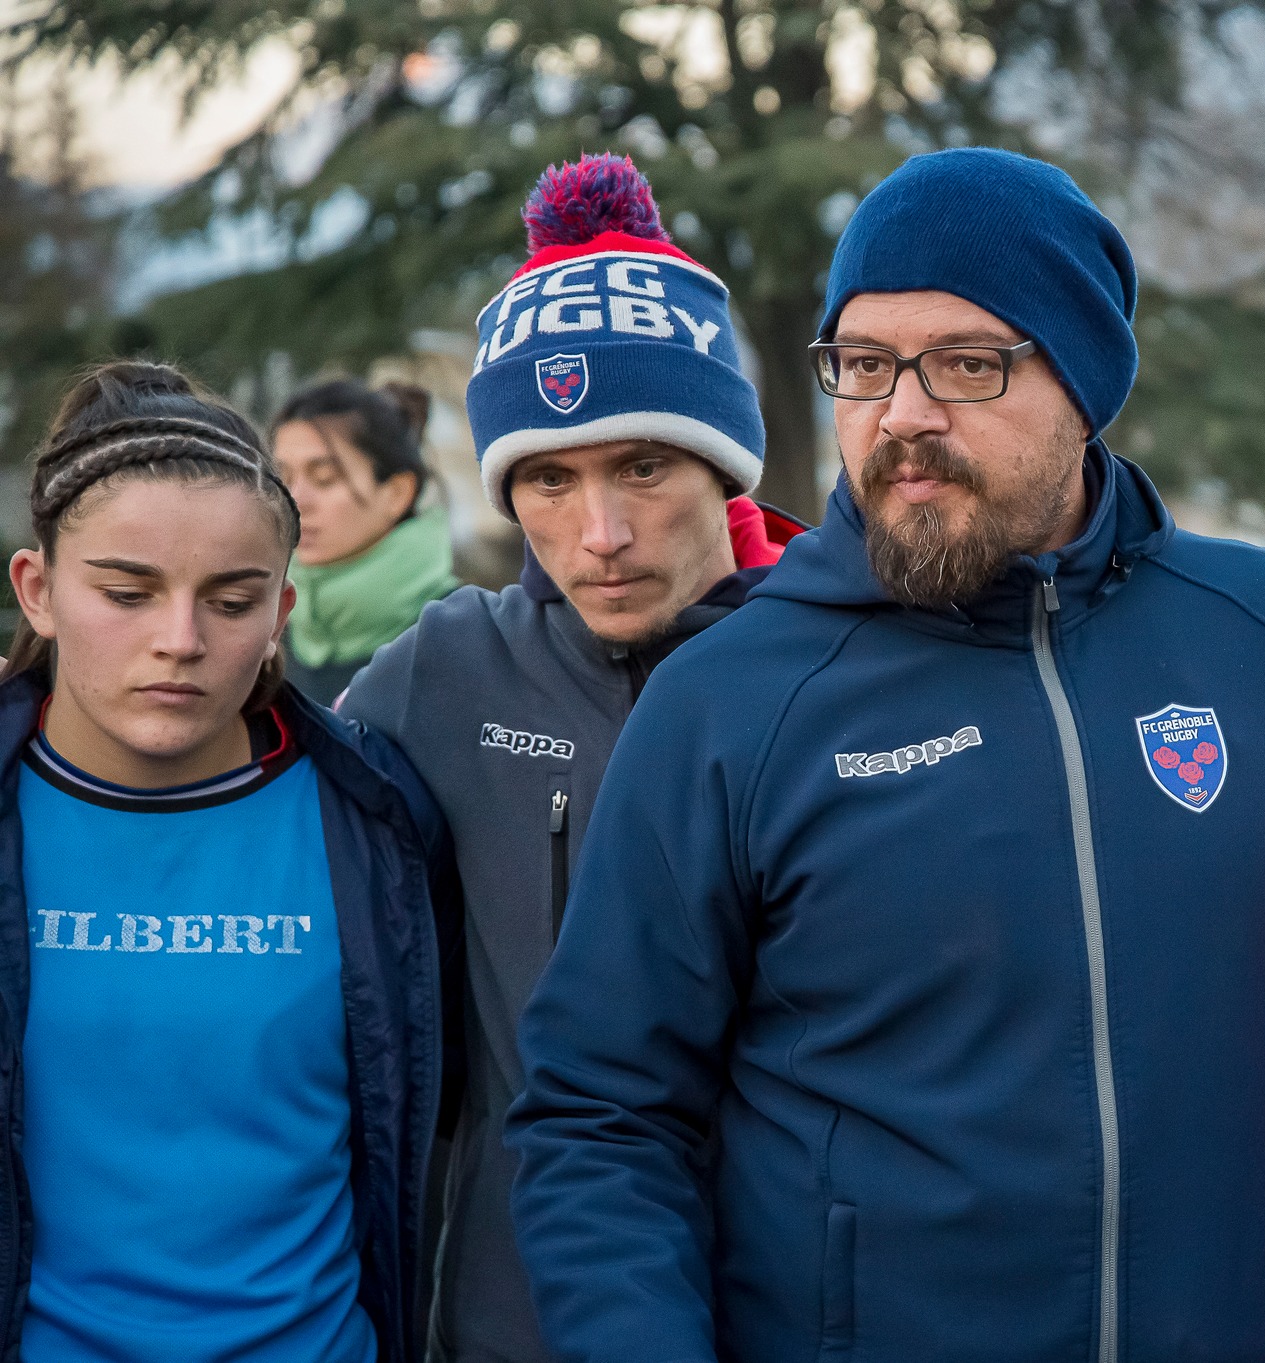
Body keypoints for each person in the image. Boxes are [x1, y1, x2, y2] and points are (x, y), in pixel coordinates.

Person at [501, 145, 1265, 1363]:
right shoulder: (728, 699)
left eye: (968, 363)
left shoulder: (1259, 629)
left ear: (1084, 381)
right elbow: (599, 1118)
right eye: (863, 366)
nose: (902, 415)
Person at [338, 153, 800, 1363]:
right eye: (547, 477)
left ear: (722, 463)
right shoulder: (444, 674)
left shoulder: (841, 671)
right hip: (511, 1321)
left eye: (642, 466)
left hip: (805, 1312)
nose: (599, 534)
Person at [0, 361, 450, 1362]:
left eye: (232, 599)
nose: (180, 639)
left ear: (281, 609)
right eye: (127, 590)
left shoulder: (377, 820)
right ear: (38, 590)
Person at [273, 379, 461, 706]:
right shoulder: (265, 629)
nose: (295, 499)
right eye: (284, 478)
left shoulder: (468, 632)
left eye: (324, 478)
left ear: (397, 493)